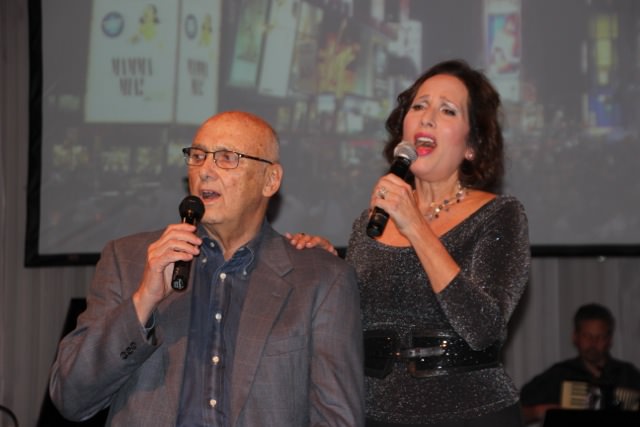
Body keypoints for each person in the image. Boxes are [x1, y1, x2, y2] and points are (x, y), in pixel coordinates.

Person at [49, 111, 365, 426]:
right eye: (197, 156)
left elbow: (337, 418)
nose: (205, 171)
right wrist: (143, 301)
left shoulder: (321, 279)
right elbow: (70, 397)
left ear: (270, 180)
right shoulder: (128, 259)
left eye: (227, 158)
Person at [288, 59, 531, 426]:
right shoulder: (370, 222)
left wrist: (416, 225)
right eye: (419, 106)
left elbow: (483, 329)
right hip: (373, 412)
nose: (427, 117)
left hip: (470, 413)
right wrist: (330, 268)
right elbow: (355, 323)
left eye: (447, 110)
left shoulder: (499, 215)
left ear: (472, 145)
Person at [520, 303, 640, 424]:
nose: (593, 342)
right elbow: (513, 412)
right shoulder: (559, 375)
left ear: (609, 340)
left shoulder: (628, 375)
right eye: (586, 335)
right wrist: (537, 411)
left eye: (600, 336)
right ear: (575, 337)